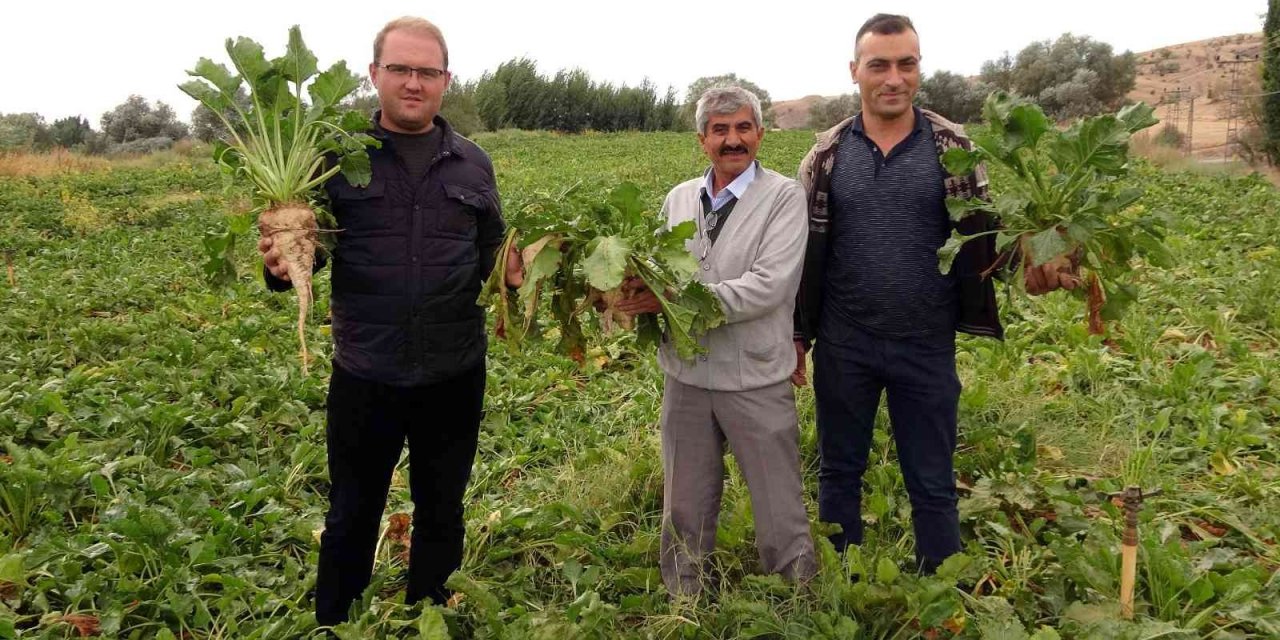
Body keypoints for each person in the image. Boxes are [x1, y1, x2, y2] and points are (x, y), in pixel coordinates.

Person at [257, 16, 522, 625]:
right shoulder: (332, 160)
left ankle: (426, 619)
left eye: (426, 72)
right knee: (351, 512)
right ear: (374, 74)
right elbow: (304, 255)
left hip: (455, 369)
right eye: (400, 69)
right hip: (365, 372)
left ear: (445, 80)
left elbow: (492, 249)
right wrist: (280, 263)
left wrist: (516, 269)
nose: (413, 82)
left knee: (442, 510)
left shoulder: (473, 164)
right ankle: (335, 623)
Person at [791, 14, 1078, 574]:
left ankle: (937, 596)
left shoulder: (955, 148)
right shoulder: (825, 155)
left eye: (906, 64)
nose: (893, 77)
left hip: (925, 346)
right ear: (855, 72)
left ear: (919, 70)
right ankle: (839, 585)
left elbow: (986, 234)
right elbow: (800, 253)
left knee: (932, 477)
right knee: (838, 470)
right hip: (845, 344)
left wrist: (1037, 263)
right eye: (879, 65)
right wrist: (796, 333)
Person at [617, 86, 815, 597]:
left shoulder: (784, 198)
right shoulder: (679, 198)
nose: (734, 140)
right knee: (685, 499)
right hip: (686, 375)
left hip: (754, 376)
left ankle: (798, 596)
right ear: (702, 139)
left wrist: (672, 300)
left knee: (778, 502)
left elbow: (768, 287)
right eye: (721, 130)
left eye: (744, 128)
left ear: (760, 135)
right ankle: (685, 596)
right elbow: (656, 270)